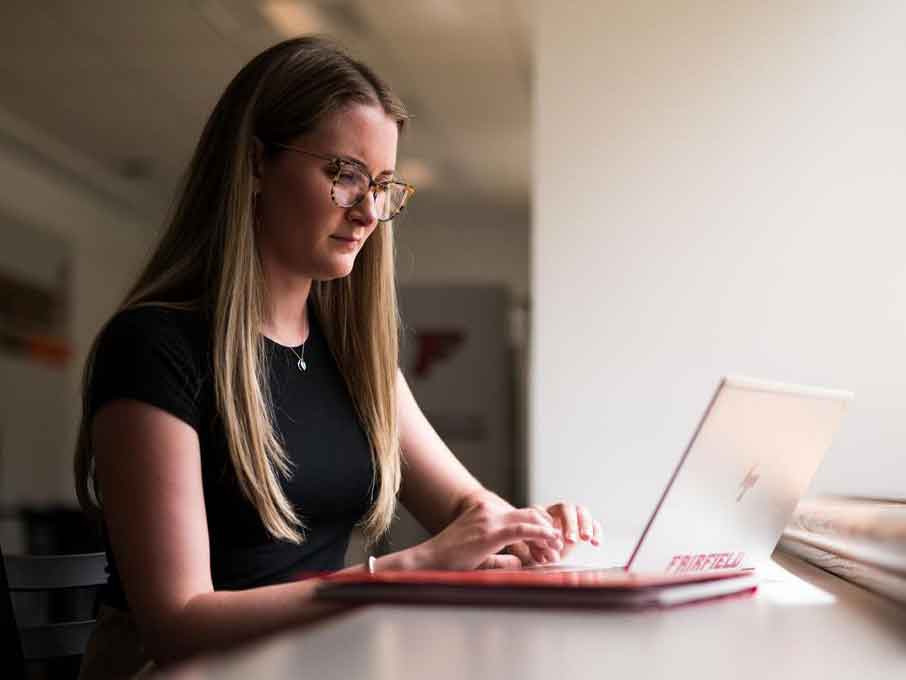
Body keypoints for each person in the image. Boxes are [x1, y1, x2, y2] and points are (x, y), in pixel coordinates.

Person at [73, 36, 601, 678]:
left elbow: (469, 509)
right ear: (256, 163)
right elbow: (177, 623)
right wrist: (415, 566)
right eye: (344, 174)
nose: (369, 212)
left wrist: (523, 529)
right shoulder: (154, 346)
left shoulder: (352, 355)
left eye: (382, 185)